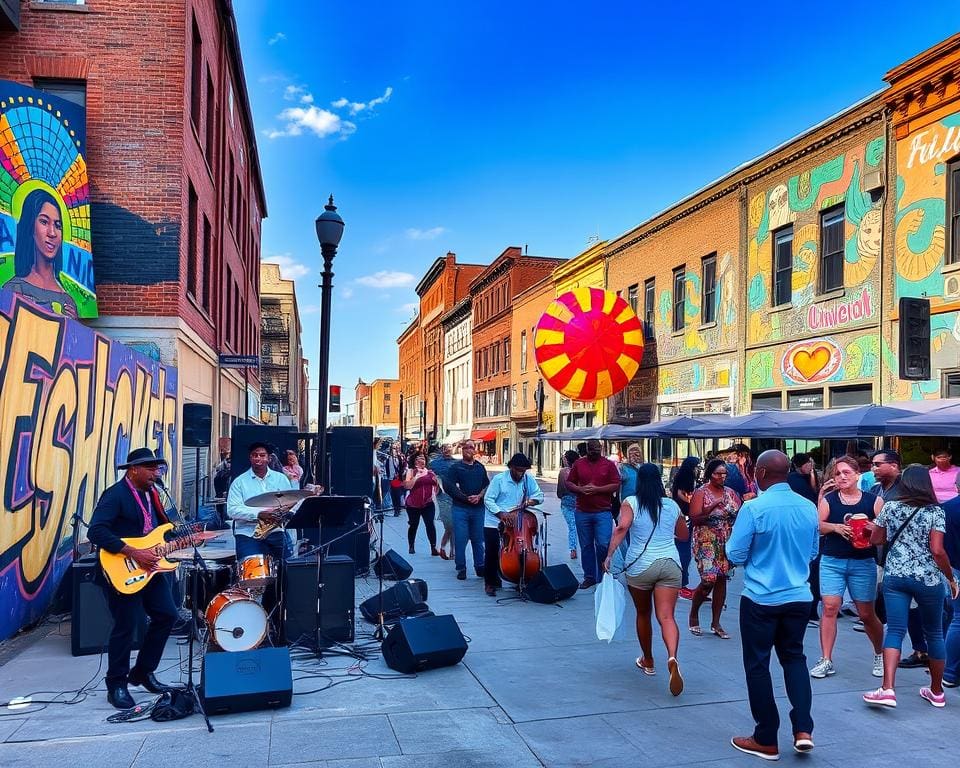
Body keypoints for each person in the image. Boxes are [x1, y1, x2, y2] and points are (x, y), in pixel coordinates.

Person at [727, 450, 820, 760]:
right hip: (798, 596)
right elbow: (812, 552)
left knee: (757, 665)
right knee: (794, 659)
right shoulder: (808, 507)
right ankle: (803, 728)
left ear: (762, 474)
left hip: (760, 597)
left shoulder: (753, 508)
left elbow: (736, 555)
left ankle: (766, 735)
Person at [87, 448, 179, 709]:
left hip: (150, 568)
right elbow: (96, 531)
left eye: (157, 468)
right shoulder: (115, 495)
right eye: (150, 468)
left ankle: (142, 672)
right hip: (121, 568)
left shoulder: (153, 494)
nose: (155, 473)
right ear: (133, 470)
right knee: (127, 625)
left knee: (167, 615)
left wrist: (181, 541)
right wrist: (133, 552)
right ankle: (116, 683)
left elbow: (157, 531)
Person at [863, 465, 959, 709]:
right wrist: (950, 577)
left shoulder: (891, 507)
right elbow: (937, 550)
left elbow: (876, 539)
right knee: (934, 633)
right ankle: (936, 692)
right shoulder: (935, 512)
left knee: (895, 630)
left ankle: (887, 688)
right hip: (928, 579)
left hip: (896, 577)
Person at [604, 463, 689, 695]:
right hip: (670, 565)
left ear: (639, 480)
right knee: (667, 616)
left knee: (643, 613)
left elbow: (622, 528)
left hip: (640, 567)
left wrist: (610, 555)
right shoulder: (671, 505)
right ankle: (672, 657)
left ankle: (648, 661)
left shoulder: (630, 502)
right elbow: (683, 535)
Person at [809, 456, 884, 680]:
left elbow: (883, 535)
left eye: (846, 473)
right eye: (837, 473)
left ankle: (879, 654)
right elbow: (818, 526)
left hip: (863, 562)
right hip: (833, 560)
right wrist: (835, 527)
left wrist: (873, 528)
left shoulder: (873, 501)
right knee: (830, 607)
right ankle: (826, 659)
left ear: (857, 475)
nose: (841, 477)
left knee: (866, 613)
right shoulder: (830, 500)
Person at [4, 188, 79, 318]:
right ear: (30, 226)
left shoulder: (68, 302)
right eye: (44, 222)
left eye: (58, 225)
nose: (52, 233)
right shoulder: (13, 289)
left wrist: (73, 325)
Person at [688, 458, 741, 639]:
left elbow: (739, 514)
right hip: (706, 540)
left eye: (724, 473)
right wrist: (710, 508)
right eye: (718, 473)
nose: (722, 477)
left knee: (721, 579)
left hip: (726, 539)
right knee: (708, 580)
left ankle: (716, 622)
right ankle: (694, 613)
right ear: (710, 474)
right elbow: (694, 518)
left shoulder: (730, 493)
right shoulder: (701, 492)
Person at [483, 453, 544, 597]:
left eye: (523, 470)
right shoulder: (499, 480)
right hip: (495, 520)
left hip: (517, 522)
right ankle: (490, 583)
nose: (520, 473)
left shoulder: (527, 479)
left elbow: (539, 495)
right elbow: (488, 499)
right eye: (518, 470)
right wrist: (501, 514)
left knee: (520, 550)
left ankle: (520, 578)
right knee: (492, 552)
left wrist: (531, 501)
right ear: (511, 467)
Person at [566, 439, 621, 589]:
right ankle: (589, 576)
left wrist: (597, 489)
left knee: (603, 544)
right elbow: (569, 482)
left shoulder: (608, 465)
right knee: (586, 545)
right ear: (587, 450)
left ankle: (603, 572)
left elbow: (616, 484)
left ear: (601, 449)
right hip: (582, 511)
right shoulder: (579, 464)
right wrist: (580, 490)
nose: (595, 453)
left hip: (603, 511)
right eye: (592, 450)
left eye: (597, 450)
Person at [447, 439, 490, 580]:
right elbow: (450, 487)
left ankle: (480, 566)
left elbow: (486, 485)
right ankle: (461, 567)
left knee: (478, 539)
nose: (468, 450)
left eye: (471, 447)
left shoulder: (480, 468)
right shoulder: (456, 468)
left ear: (474, 450)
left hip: (478, 509)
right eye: (465, 448)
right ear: (462, 450)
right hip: (461, 509)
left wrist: (479, 496)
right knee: (461, 539)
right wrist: (466, 498)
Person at [671, 456, 700, 600]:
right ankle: (682, 583)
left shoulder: (682, 474)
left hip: (683, 512)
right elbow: (680, 493)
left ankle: (682, 581)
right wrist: (691, 501)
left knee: (683, 548)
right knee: (684, 548)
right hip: (684, 513)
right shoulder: (686, 476)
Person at [403, 453, 440, 556]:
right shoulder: (410, 472)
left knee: (430, 524)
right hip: (413, 505)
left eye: (423, 458)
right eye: (418, 458)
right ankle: (411, 545)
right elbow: (408, 486)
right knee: (413, 525)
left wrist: (434, 494)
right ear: (414, 461)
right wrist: (416, 477)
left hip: (428, 504)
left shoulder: (430, 472)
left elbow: (437, 485)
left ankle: (433, 547)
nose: (421, 460)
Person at [942, 491, 960, 687]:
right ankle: (951, 671)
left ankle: (950, 672)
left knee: (956, 617)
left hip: (953, 568)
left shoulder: (946, 508)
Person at [557, 449, 580, 560]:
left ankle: (573, 549)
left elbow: (559, 492)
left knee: (572, 526)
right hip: (579, 503)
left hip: (566, 503)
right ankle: (574, 548)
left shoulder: (562, 472)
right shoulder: (580, 471)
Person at [385, 442, 407, 516]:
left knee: (397, 494)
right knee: (393, 494)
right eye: (393, 448)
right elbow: (387, 467)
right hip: (391, 478)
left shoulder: (400, 457)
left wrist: (399, 473)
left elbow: (404, 467)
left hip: (398, 478)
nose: (394, 450)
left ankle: (397, 509)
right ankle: (396, 508)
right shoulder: (388, 458)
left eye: (395, 448)